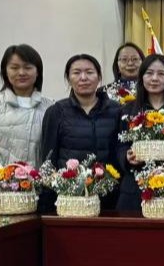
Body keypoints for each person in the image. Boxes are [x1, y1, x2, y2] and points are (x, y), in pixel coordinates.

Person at [0, 45, 54, 214]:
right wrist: (1, 175)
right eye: (14, 67)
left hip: (36, 192)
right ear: (5, 71)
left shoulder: (50, 107)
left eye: (28, 67)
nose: (21, 72)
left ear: (38, 72)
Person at [41, 54, 122, 209]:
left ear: (99, 77)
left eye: (89, 72)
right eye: (76, 73)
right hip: (69, 197)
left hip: (109, 196)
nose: (83, 78)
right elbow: (48, 159)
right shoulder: (57, 111)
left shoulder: (116, 110)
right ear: (68, 78)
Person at [115, 54, 164, 210]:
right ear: (142, 77)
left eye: (161, 74)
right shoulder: (128, 110)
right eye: (149, 73)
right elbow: (118, 145)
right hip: (134, 188)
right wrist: (126, 157)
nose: (154, 78)